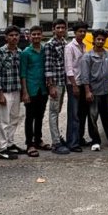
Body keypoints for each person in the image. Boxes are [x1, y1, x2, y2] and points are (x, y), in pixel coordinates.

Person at [78, 29, 108, 151]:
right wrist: (87, 92)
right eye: (98, 39)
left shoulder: (107, 54)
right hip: (94, 93)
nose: (100, 41)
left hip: (107, 92)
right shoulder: (87, 57)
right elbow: (85, 76)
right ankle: (95, 141)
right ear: (94, 40)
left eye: (102, 39)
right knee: (93, 117)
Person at [0, 27, 25, 160]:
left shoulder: (20, 52)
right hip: (5, 91)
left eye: (16, 35)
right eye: (11, 35)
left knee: (14, 119)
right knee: (3, 121)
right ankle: (2, 148)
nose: (14, 37)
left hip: (16, 90)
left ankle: (10, 143)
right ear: (6, 37)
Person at [21, 25, 48, 156]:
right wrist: (24, 92)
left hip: (43, 89)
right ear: (29, 36)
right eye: (34, 34)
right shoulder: (26, 52)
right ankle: (29, 144)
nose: (36, 36)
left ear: (42, 35)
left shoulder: (45, 50)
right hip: (31, 89)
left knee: (40, 116)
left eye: (38, 34)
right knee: (29, 117)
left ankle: (38, 140)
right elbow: (23, 74)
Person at [44, 19, 69, 153]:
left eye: (62, 28)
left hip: (63, 82)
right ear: (53, 29)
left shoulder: (64, 43)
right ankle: (55, 143)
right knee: (53, 112)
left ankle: (58, 137)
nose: (60, 30)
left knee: (58, 111)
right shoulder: (50, 44)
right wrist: (51, 86)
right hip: (55, 83)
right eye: (58, 28)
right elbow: (48, 66)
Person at [63, 22, 88, 152]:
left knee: (82, 113)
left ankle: (79, 139)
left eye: (84, 31)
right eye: (80, 31)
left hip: (83, 83)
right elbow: (69, 68)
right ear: (75, 32)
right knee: (74, 114)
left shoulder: (84, 46)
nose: (82, 33)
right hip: (74, 84)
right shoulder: (70, 47)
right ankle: (72, 143)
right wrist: (74, 85)